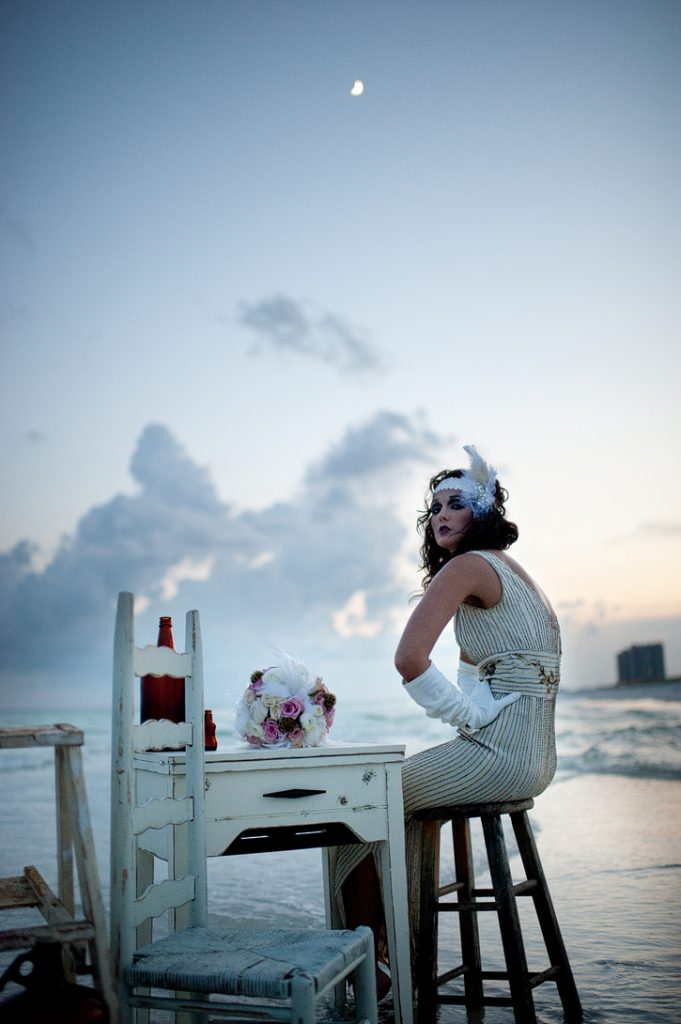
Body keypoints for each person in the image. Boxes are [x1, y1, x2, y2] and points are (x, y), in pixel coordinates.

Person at [334, 445, 562, 999]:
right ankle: (395, 953)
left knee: (354, 804)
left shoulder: (467, 567)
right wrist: (473, 710)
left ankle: (375, 965)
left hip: (498, 758)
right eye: (434, 506)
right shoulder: (513, 574)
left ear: (481, 513)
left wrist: (468, 719)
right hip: (537, 763)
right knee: (394, 801)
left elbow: (409, 661)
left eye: (455, 503)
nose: (439, 514)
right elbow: (471, 672)